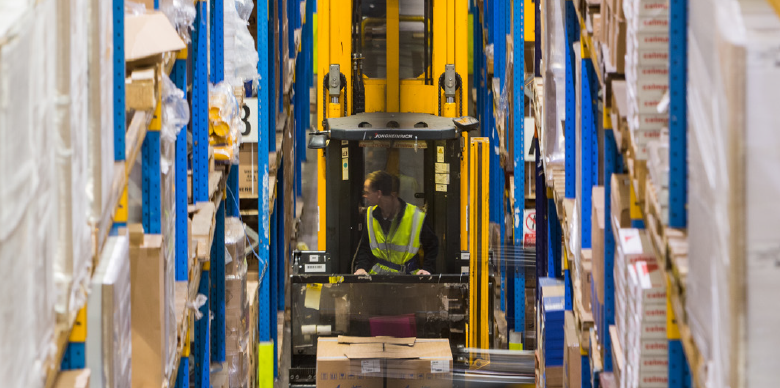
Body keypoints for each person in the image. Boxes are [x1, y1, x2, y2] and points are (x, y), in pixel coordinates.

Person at [353, 170, 438, 275]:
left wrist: (427, 269)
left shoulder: (415, 216)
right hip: (379, 279)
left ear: (379, 193)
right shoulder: (371, 215)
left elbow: (432, 245)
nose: (364, 196)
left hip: (407, 278)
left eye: (367, 192)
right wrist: (361, 268)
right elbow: (365, 247)